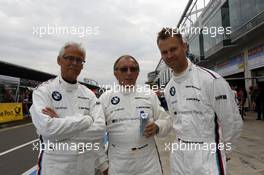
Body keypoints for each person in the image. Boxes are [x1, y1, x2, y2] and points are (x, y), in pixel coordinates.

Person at [157, 28, 243, 175]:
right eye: (164, 52)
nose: (169, 55)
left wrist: (225, 152)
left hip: (207, 156)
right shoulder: (169, 87)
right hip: (179, 155)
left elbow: (232, 122)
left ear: (184, 46)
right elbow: (174, 119)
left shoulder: (211, 80)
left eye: (173, 49)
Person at [29, 42, 108, 175]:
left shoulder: (89, 95)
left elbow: (100, 130)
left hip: (85, 166)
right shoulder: (43, 91)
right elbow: (47, 129)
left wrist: (60, 124)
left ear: (82, 65)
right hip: (55, 167)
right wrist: (87, 120)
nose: (74, 63)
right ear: (59, 60)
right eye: (69, 58)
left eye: (79, 60)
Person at [99, 55, 172, 175]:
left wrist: (158, 126)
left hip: (148, 162)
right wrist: (103, 164)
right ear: (115, 73)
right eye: (124, 69)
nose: (129, 73)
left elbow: (167, 120)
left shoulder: (149, 95)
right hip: (118, 162)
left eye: (133, 69)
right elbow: (96, 134)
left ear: (138, 73)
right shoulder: (105, 98)